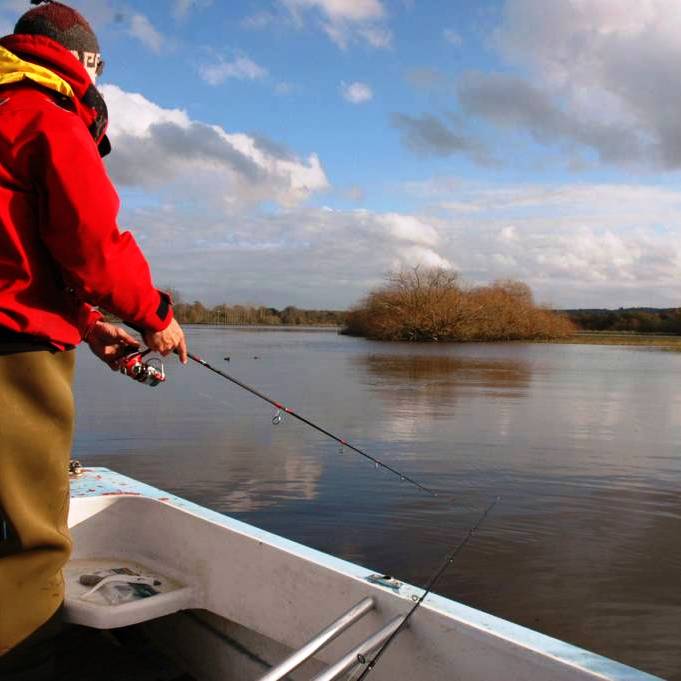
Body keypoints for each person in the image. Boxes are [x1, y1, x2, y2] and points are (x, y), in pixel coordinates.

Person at [0, 0, 187, 673]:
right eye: (98, 63)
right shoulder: (43, 111)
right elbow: (90, 244)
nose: (97, 74)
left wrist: (87, 324)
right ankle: (27, 661)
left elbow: (16, 247)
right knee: (29, 536)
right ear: (78, 57)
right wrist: (153, 314)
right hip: (13, 353)